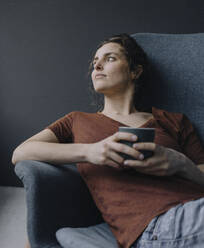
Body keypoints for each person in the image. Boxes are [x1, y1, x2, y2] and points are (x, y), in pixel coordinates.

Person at [12, 33, 204, 248]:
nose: (98, 66)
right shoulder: (77, 120)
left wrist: (181, 163)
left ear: (135, 71)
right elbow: (21, 152)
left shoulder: (174, 121)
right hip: (158, 225)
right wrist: (90, 151)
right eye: (95, 62)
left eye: (110, 58)